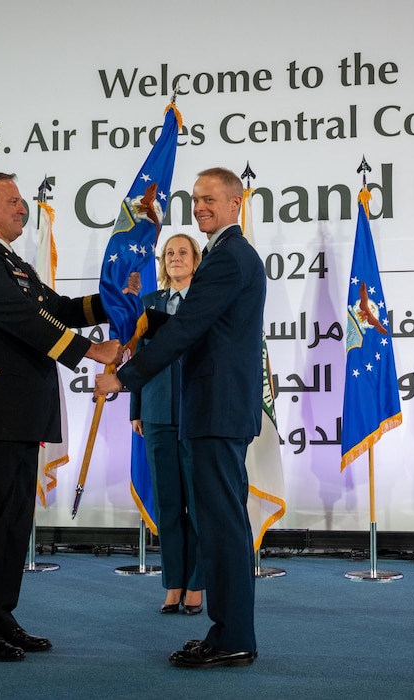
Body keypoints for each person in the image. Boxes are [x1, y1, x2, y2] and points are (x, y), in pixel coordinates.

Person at [0, 172, 124, 662]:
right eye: (13, 201)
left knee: (13, 525)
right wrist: (93, 351)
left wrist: (117, 301)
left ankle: (1, 618)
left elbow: (57, 308)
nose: (23, 209)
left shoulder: (12, 264)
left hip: (21, 412)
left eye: (22, 202)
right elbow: (23, 322)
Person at [95, 167, 266, 669]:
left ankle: (233, 637)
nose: (200, 207)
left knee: (223, 525)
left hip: (216, 409)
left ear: (236, 203)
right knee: (220, 523)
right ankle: (230, 632)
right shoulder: (222, 255)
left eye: (210, 199)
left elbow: (190, 327)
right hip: (212, 407)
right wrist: (138, 317)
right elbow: (191, 322)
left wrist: (126, 378)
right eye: (195, 199)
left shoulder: (229, 257)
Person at [130, 233, 205, 616]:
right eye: (170, 253)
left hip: (197, 413)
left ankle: (196, 586)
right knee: (168, 505)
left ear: (196, 259)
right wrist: (136, 408)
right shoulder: (149, 304)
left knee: (198, 504)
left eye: (183, 252)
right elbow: (140, 358)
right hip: (157, 414)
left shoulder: (208, 300)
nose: (176, 258)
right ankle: (172, 584)